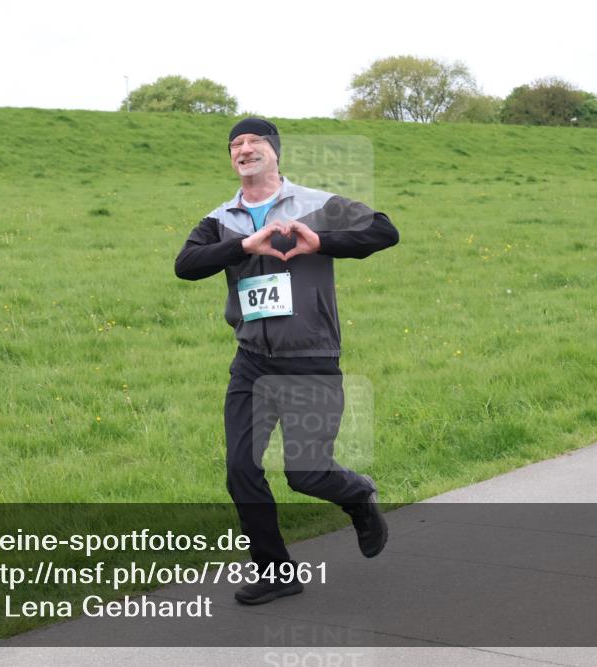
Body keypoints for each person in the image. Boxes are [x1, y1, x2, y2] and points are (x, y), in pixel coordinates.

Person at [174, 117, 399, 605]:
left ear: (275, 152)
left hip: (311, 358)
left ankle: (357, 495)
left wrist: (322, 241)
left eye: (255, 141)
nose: (244, 148)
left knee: (306, 472)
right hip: (252, 362)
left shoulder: (318, 204)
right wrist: (241, 246)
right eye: (236, 143)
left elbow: (384, 231)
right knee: (241, 469)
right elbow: (185, 266)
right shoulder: (220, 218)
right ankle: (276, 572)